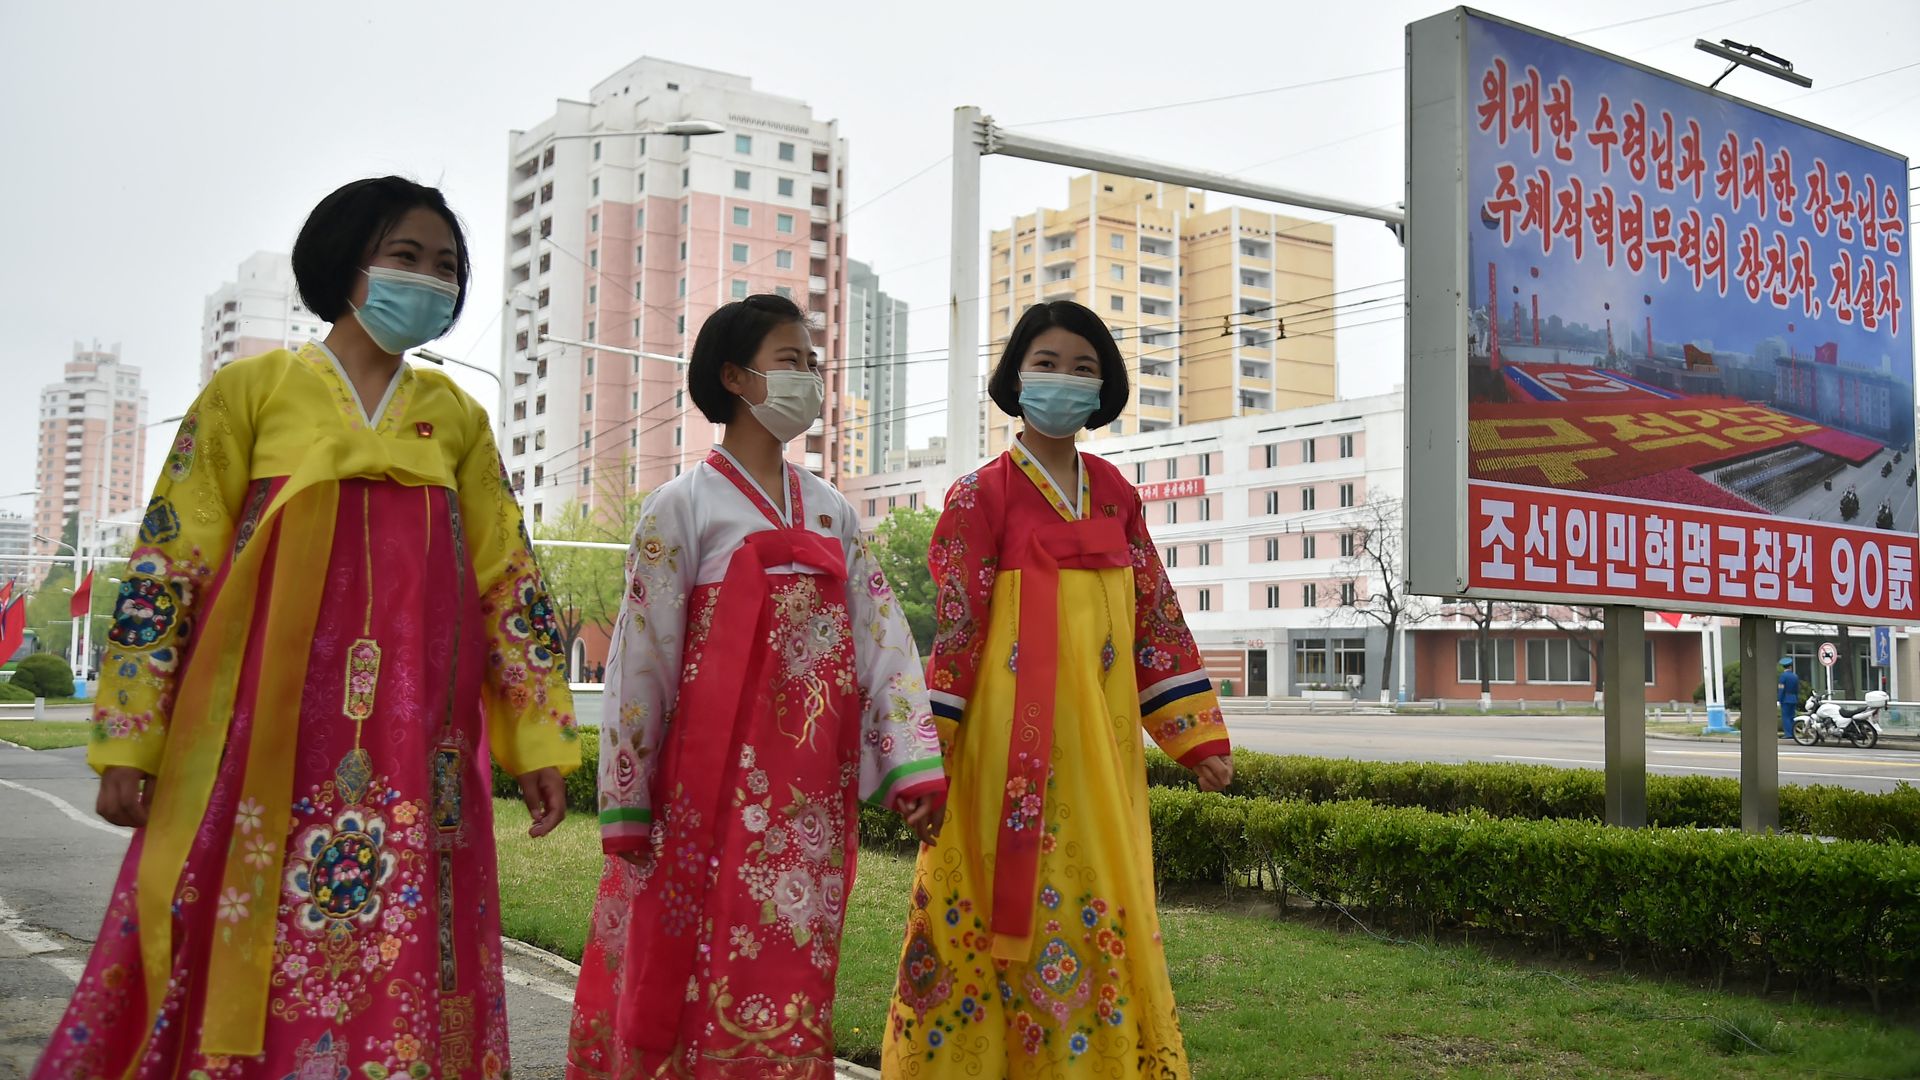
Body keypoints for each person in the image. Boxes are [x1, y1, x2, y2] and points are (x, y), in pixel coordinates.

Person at [33, 177, 579, 1079]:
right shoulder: (249, 393)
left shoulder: (458, 422)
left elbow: (508, 584)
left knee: (408, 944)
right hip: (258, 745)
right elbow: (167, 568)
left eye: (446, 267)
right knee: (237, 930)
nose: (429, 280)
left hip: (417, 751)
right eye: (405, 257)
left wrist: (541, 740)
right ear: (345, 263)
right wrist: (130, 736)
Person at [567, 295, 947, 1079]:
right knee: (687, 952)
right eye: (790, 360)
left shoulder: (835, 515)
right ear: (735, 377)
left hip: (808, 798)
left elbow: (884, 644)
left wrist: (911, 761)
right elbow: (641, 660)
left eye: (814, 363)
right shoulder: (681, 509)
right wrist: (628, 798)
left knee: (791, 960)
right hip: (698, 798)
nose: (808, 375)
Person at [880, 301, 1233, 1078]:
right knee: (987, 912)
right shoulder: (979, 498)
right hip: (996, 762)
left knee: (1101, 903)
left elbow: (1155, 619)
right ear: (1014, 377)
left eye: (1083, 367)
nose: (1063, 380)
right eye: (1046, 363)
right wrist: (924, 761)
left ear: (1104, 389)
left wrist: (1197, 736)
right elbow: (958, 632)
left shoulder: (1116, 496)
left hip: (1099, 760)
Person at [1779, 658, 1802, 739]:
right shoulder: (1795, 676)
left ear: (1783, 667)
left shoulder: (1783, 676)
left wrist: (1779, 699)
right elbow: (1797, 689)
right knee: (1792, 717)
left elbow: (1781, 689)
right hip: (1793, 698)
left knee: (1786, 717)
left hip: (1785, 699)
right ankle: (1793, 733)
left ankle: (1788, 734)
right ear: (1790, 666)